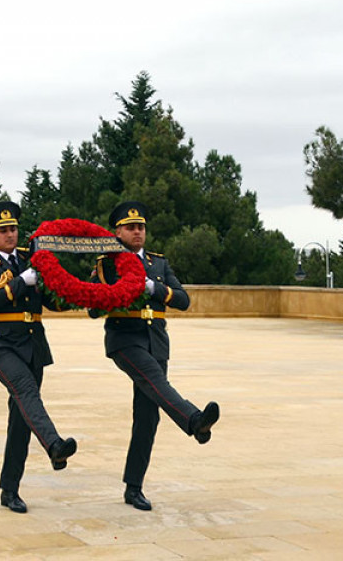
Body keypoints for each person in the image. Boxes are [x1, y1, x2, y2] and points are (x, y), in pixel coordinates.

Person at [92, 201, 220, 511]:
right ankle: (193, 420)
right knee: (156, 382)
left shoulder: (158, 264)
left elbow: (184, 300)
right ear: (117, 232)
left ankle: (133, 487)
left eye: (141, 227)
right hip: (125, 339)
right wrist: (113, 290)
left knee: (148, 417)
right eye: (131, 227)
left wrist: (153, 287)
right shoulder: (106, 264)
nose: (138, 232)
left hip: (156, 341)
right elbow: (93, 309)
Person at [0, 200, 77, 514]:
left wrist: (83, 295)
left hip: (33, 344)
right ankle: (55, 445)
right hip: (0, 344)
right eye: (3, 231)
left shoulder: (34, 260)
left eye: (13, 228)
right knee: (26, 391)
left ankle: (10, 490)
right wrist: (21, 281)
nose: (10, 235)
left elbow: (53, 299)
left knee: (21, 418)